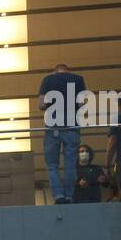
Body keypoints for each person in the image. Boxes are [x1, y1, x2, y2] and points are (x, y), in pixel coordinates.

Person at [38, 62, 87, 204]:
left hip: (53, 127)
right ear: (68, 71)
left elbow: (40, 104)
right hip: (72, 127)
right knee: (70, 163)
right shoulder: (78, 79)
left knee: (52, 164)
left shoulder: (48, 79)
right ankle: (69, 195)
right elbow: (81, 104)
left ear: (55, 71)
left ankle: (58, 195)